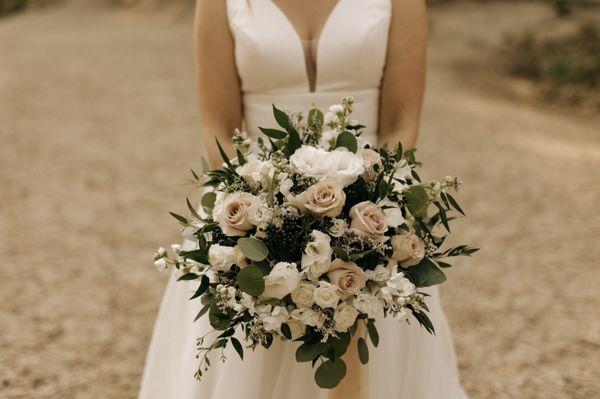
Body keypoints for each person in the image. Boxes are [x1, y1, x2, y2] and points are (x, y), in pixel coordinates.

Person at [139, 1, 467, 398]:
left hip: (372, 211)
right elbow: (220, 129)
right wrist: (263, 212)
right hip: (253, 209)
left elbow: (401, 122)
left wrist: (364, 209)